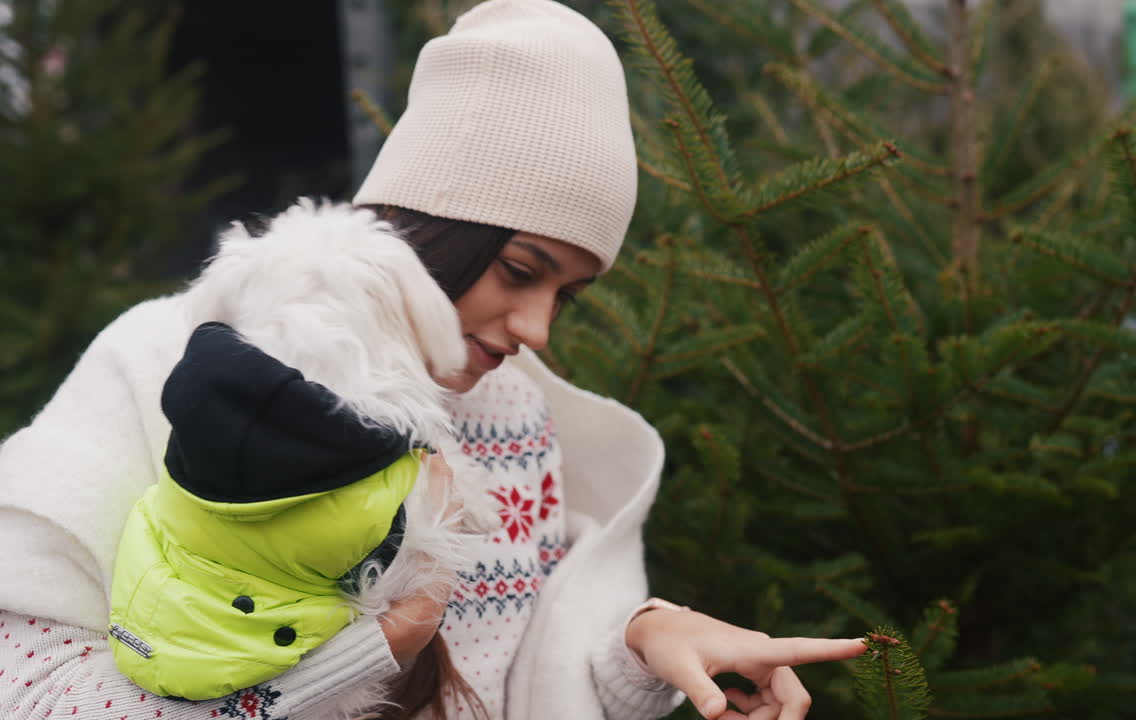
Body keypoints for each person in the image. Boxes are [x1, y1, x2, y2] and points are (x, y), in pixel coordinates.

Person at [0, 1, 867, 719]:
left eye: (568, 294)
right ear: (431, 227)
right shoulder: (170, 367)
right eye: (521, 270)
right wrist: (345, 665)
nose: (537, 329)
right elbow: (29, 686)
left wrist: (646, 643)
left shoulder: (516, 414)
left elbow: (527, 681)